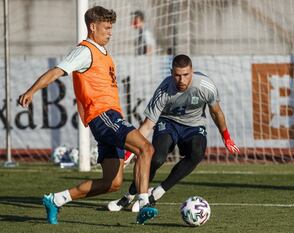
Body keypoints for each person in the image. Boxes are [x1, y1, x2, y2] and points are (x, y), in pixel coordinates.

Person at [18, 6, 157, 225]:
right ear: (93, 27)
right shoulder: (84, 51)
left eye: (111, 28)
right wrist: (31, 91)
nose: (110, 32)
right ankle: (144, 202)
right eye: (106, 27)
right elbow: (57, 70)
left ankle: (56, 199)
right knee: (146, 148)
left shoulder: (104, 53)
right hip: (103, 116)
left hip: (108, 118)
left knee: (111, 184)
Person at [107, 54, 240, 212]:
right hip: (168, 123)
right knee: (155, 159)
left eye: (185, 75)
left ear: (192, 72)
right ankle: (128, 197)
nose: (181, 80)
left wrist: (227, 137)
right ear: (171, 73)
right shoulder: (164, 89)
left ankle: (157, 193)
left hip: (194, 125)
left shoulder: (206, 86)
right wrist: (130, 153)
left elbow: (216, 113)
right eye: (177, 75)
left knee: (197, 153)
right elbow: (148, 124)